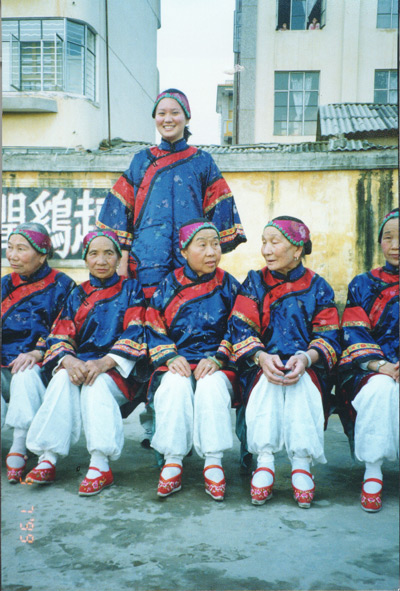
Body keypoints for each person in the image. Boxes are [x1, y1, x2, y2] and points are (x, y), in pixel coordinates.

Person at [226, 216, 341, 508]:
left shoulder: (319, 287)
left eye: (274, 242)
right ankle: (264, 462)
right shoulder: (254, 282)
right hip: (260, 364)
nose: (266, 249)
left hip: (307, 365)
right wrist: (262, 357)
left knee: (302, 385)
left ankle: (301, 464)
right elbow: (240, 329)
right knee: (267, 383)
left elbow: (329, 336)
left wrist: (305, 357)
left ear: (297, 249)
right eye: (263, 242)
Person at [24, 230, 148, 496]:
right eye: (94, 253)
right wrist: (68, 360)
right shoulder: (77, 294)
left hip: (116, 370)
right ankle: (48, 457)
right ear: (85, 258)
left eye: (108, 253)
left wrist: (104, 363)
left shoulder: (131, 289)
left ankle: (100, 464)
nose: (101, 260)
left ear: (118, 259)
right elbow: (60, 333)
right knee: (60, 378)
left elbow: (135, 331)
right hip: (80, 365)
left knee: (97, 384)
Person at [96, 88, 246, 300]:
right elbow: (120, 214)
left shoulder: (202, 161)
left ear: (187, 117)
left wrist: (207, 252)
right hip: (146, 259)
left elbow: (219, 213)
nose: (168, 119)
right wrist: (122, 264)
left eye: (175, 112)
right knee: (147, 320)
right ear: (155, 118)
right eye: (161, 113)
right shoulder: (141, 161)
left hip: (191, 262)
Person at [145, 219, 240, 501]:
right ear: (184, 251)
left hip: (217, 362)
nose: (212, 252)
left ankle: (213, 461)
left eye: (216, 244)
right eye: (203, 245)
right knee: (174, 385)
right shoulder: (168, 285)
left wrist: (221, 356)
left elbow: (241, 326)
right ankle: (173, 460)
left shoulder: (229, 285)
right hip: (178, 360)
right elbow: (153, 324)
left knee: (210, 386)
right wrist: (171, 356)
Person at [2, 222, 75, 483]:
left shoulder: (63, 285)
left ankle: (19, 444)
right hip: (3, 361)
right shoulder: (4, 284)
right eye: (10, 248)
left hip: (42, 364)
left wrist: (37, 352)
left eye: (21, 249)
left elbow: (64, 327)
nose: (12, 255)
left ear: (42, 254)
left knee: (24, 372)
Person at [337, 208, 399, 512]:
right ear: (380, 243)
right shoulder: (362, 285)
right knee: (380, 390)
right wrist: (381, 366)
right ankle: (373, 472)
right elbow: (353, 331)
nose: (396, 244)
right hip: (374, 366)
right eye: (389, 237)